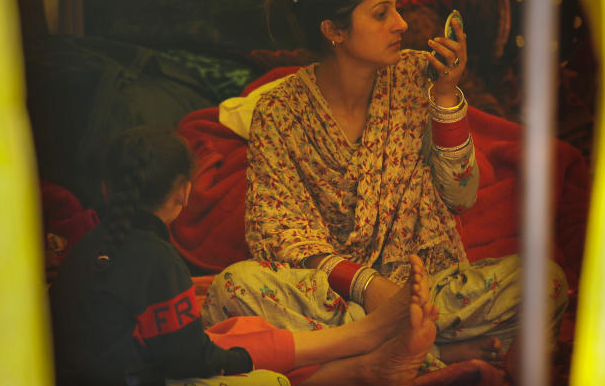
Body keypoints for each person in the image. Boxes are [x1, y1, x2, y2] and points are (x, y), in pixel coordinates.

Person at [202, 0, 568, 370]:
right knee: (234, 288)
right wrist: (366, 284)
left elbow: (462, 197)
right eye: (382, 14)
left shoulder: (418, 78)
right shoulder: (279, 110)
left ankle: (406, 352)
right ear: (334, 31)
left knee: (545, 281)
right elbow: (276, 230)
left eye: (395, 8)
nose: (401, 24)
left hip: (429, 292)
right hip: (333, 298)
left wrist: (446, 95)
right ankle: (426, 354)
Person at [48, 125, 440, 386]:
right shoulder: (157, 261)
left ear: (104, 187)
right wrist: (241, 361)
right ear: (184, 192)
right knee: (266, 380)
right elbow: (185, 361)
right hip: (157, 372)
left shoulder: (82, 249)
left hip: (147, 362)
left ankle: (361, 352)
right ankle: (361, 358)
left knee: (238, 322)